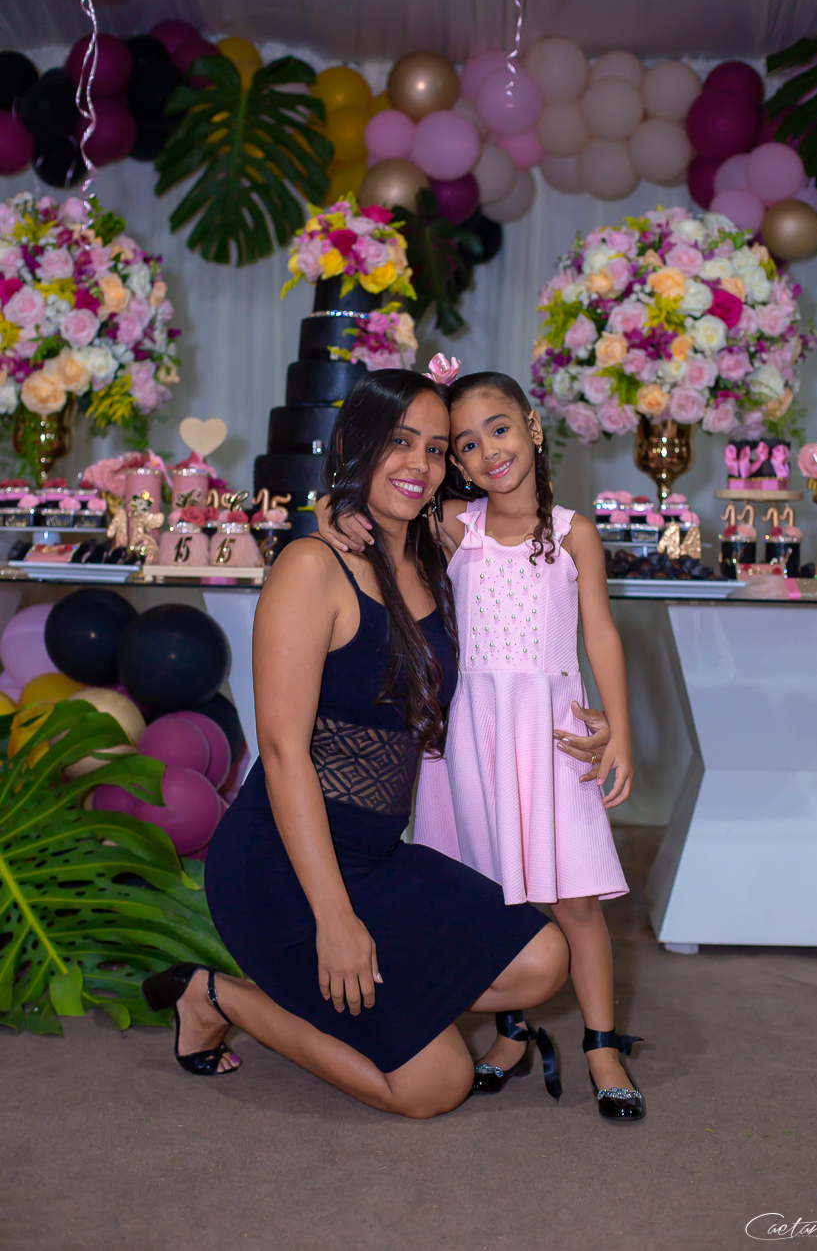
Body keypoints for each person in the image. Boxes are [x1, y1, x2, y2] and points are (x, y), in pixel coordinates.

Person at [142, 369, 571, 1119]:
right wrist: (336, 921)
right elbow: (281, 753)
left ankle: (381, 1002)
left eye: (435, 448)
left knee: (542, 959)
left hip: (376, 860)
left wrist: (591, 714)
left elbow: (528, 545)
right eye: (399, 442)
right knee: (435, 1087)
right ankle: (212, 997)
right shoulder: (313, 567)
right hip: (281, 869)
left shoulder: (433, 550)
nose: (419, 464)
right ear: (352, 446)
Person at [321, 366, 644, 1123]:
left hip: (552, 736)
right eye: (464, 445)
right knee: (488, 893)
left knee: (573, 898)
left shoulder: (574, 533)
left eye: (498, 430)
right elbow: (369, 505)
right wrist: (332, 513)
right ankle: (512, 1033)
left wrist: (620, 728)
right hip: (471, 738)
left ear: (532, 427)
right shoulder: (453, 526)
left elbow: (601, 633)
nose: (486, 452)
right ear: (456, 463)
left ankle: (601, 1045)